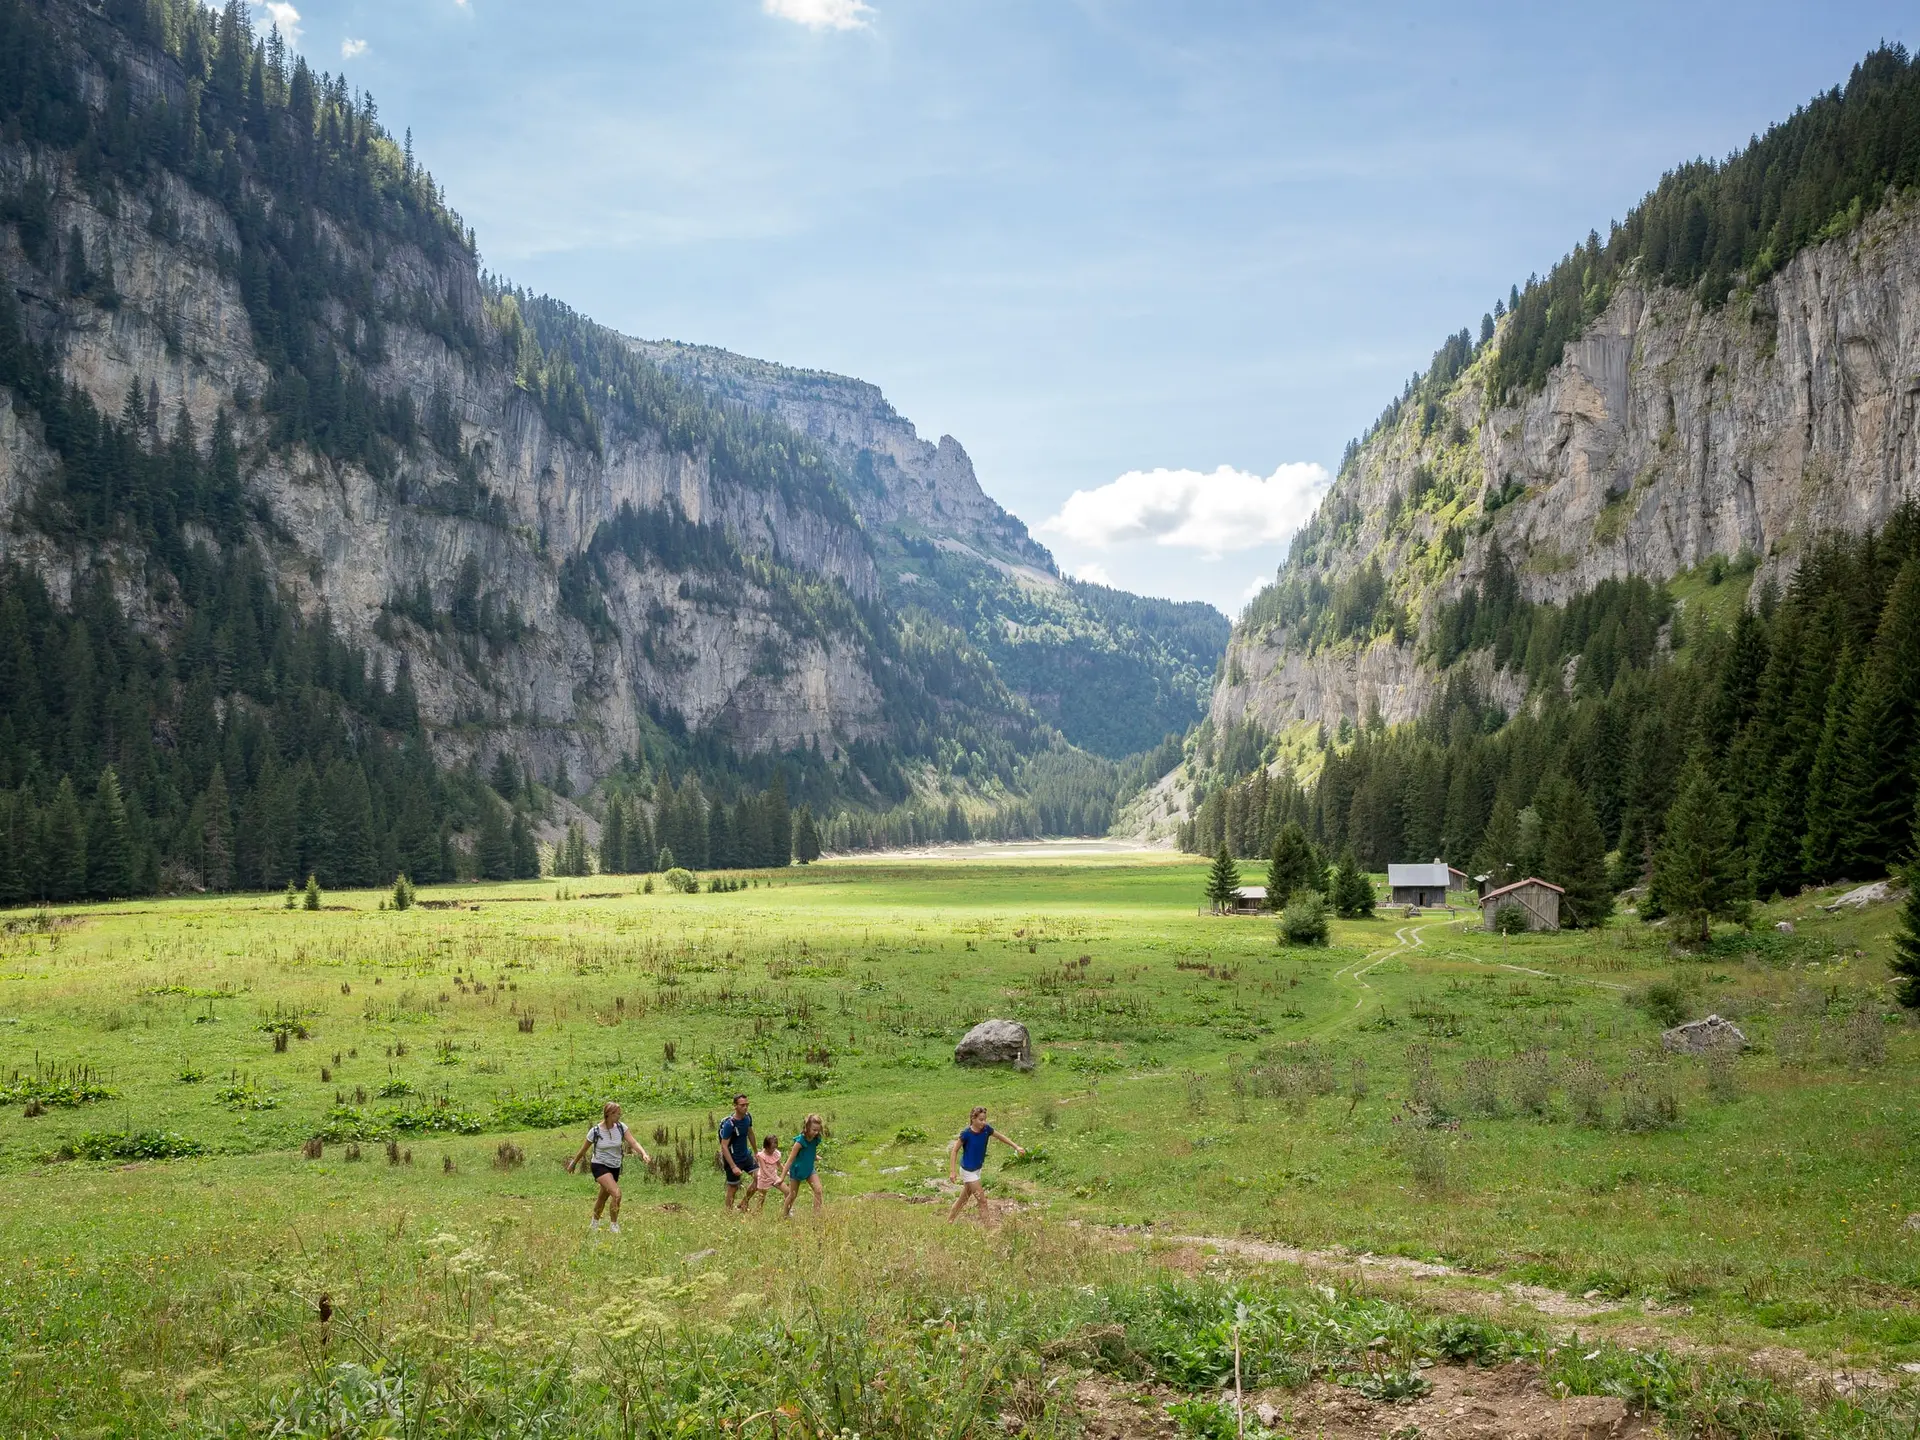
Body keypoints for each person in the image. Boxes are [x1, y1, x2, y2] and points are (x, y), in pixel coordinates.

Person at [566, 1102, 652, 1234]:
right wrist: (574, 1163)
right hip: (599, 1165)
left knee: (603, 1197)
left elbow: (633, 1142)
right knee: (617, 1194)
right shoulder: (595, 1131)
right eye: (617, 1113)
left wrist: (643, 1153)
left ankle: (594, 1224)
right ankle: (614, 1226)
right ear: (609, 1114)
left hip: (615, 1166)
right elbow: (583, 1150)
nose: (620, 1115)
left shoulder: (621, 1128)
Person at [947, 1105, 1024, 1222]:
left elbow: (1000, 1137)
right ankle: (989, 1230)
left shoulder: (986, 1130)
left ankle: (949, 1221)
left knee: (963, 1199)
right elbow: (955, 1150)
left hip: (977, 1169)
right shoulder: (966, 1133)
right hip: (968, 1171)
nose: (983, 1122)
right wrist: (952, 1171)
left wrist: (1016, 1146)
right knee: (982, 1201)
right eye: (980, 1120)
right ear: (973, 1119)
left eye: (984, 1119)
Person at [781, 1113, 825, 1219]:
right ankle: (784, 1215)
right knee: (792, 1195)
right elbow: (790, 1160)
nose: (816, 1132)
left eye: (818, 1130)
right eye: (814, 1130)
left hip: (809, 1169)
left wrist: (814, 1156)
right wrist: (782, 1177)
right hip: (797, 1171)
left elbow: (812, 1149)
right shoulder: (799, 1142)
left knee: (818, 1190)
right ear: (807, 1127)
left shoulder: (816, 1139)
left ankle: (816, 1216)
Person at [717, 1093, 756, 1209]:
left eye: (747, 1105)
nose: (745, 1107)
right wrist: (733, 1166)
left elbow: (750, 1133)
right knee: (733, 1187)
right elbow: (724, 1146)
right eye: (742, 1105)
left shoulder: (748, 1117)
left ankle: (744, 1202)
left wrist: (756, 1151)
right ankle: (728, 1213)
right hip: (733, 1159)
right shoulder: (730, 1124)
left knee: (760, 1178)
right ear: (735, 1106)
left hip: (745, 1156)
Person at [740, 1134, 783, 1215]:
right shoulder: (761, 1156)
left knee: (787, 1191)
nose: (774, 1149)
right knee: (761, 1199)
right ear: (766, 1147)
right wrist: (774, 1179)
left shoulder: (775, 1153)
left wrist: (787, 1173)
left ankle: (787, 1210)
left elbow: (779, 1165)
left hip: (774, 1176)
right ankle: (756, 1213)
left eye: (775, 1147)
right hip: (764, 1179)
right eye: (772, 1148)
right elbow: (764, 1170)